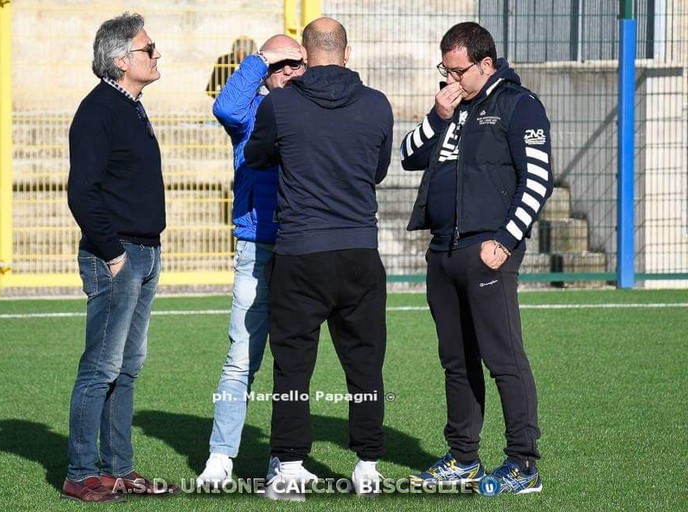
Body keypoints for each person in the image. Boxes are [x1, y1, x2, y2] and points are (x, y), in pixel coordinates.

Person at [245, 17, 394, 500]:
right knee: (366, 364)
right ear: (347, 53)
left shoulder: (281, 105)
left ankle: (289, 467)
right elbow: (376, 170)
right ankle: (368, 465)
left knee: (292, 365)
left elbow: (258, 156)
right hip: (358, 251)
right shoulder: (377, 105)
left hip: (300, 252)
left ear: (305, 57)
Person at [401, 21, 553, 495]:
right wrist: (436, 114)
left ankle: (523, 464)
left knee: (503, 358)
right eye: (444, 70)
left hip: (488, 252)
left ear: (485, 65)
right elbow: (408, 156)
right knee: (456, 360)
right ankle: (463, 457)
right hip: (443, 250)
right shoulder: (450, 107)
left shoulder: (518, 105)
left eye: (458, 71)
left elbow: (538, 180)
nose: (450, 80)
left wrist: (505, 241)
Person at [63, 12, 178, 503]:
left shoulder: (131, 106)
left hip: (145, 251)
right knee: (101, 367)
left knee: (128, 367)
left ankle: (119, 470)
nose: (156, 56)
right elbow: (81, 192)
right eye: (148, 49)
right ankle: (81, 473)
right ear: (120, 60)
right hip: (119, 255)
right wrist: (112, 255)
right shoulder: (98, 110)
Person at [195, 34, 306, 488]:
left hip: (304, 246)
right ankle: (221, 456)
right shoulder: (251, 110)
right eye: (278, 65)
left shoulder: (310, 107)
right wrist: (261, 60)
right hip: (256, 246)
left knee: (293, 361)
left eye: (294, 63)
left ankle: (285, 457)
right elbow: (224, 108)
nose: (287, 72)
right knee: (241, 358)